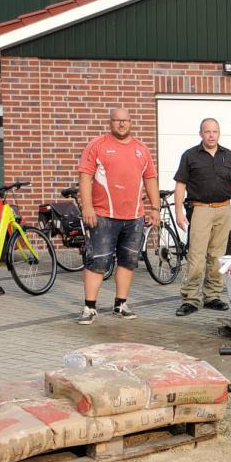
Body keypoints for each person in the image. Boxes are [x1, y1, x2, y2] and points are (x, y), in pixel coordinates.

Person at [76, 107, 159, 324]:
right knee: (99, 261)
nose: (121, 124)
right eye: (116, 120)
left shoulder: (142, 149)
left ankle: (120, 304)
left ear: (131, 122)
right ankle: (89, 307)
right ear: (110, 122)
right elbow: (85, 177)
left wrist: (155, 208)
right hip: (104, 215)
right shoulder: (97, 145)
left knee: (128, 261)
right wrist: (87, 207)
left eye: (125, 120)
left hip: (134, 217)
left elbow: (150, 179)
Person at [172, 118, 231, 316]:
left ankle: (212, 296)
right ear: (201, 134)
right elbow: (180, 184)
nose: (211, 135)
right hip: (200, 210)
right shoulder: (190, 156)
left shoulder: (228, 155)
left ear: (219, 133)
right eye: (207, 131)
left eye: (215, 131)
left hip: (224, 209)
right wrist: (179, 211)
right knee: (196, 257)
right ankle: (190, 299)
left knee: (217, 257)